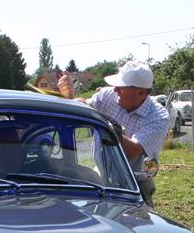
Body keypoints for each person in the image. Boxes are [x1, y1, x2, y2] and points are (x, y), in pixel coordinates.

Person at [58, 60, 170, 205]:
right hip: (100, 179)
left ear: (141, 92)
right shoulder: (107, 95)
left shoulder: (158, 117)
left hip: (134, 185)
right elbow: (84, 107)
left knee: (138, 225)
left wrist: (106, 124)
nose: (115, 89)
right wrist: (70, 98)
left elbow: (132, 151)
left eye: (121, 87)